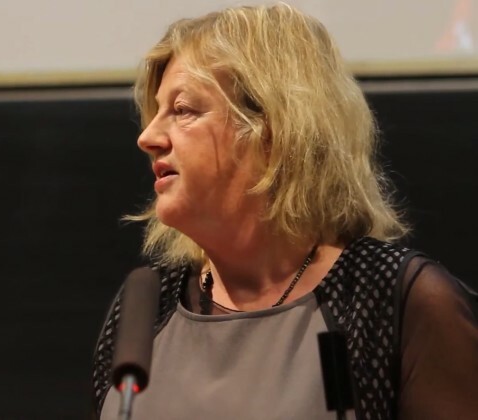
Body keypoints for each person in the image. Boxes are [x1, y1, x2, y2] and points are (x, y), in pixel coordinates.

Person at [92, 3, 478, 420]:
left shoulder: (395, 301)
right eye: (156, 112)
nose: (147, 137)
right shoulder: (146, 309)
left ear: (274, 129)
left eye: (183, 110)